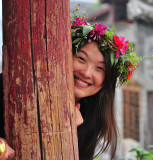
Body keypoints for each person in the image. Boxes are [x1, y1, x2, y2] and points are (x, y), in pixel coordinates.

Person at [0, 10, 141, 160]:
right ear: (63, 55)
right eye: (81, 59)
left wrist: (70, 134)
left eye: (100, 68)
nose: (87, 73)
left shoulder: (90, 117)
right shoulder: (15, 84)